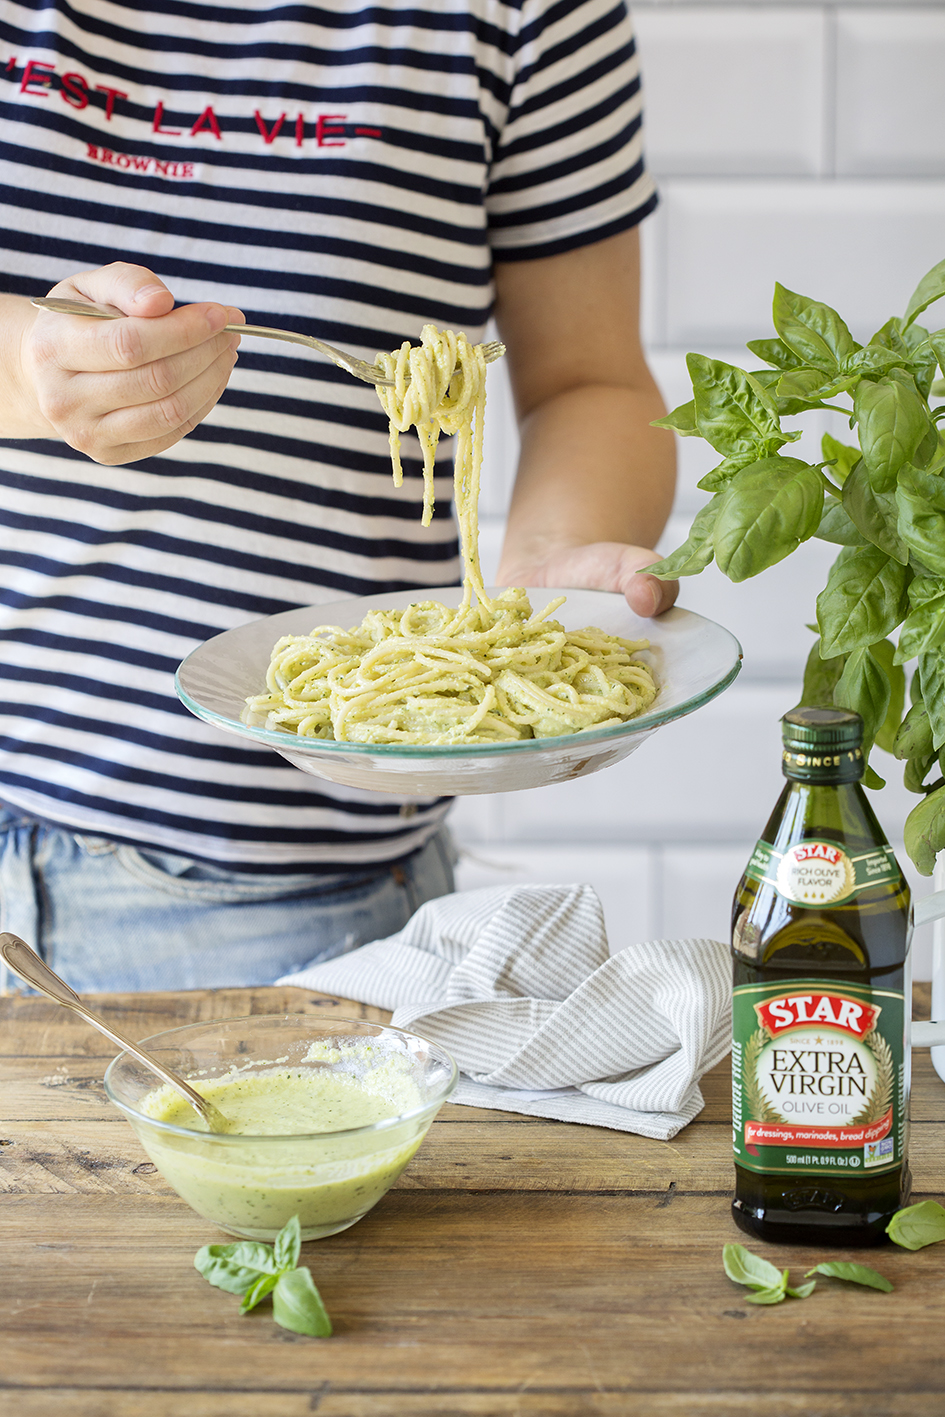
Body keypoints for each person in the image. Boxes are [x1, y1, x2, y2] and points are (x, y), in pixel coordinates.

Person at [0, 0, 677, 993]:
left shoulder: (525, 14)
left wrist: (541, 587)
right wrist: (24, 367)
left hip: (320, 900)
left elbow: (592, 382)